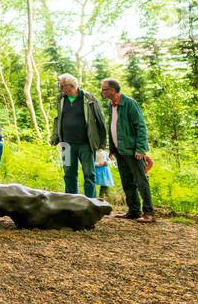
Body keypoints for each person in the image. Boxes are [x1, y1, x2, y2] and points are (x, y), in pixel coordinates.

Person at [100, 78, 156, 222]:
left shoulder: (129, 103)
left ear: (113, 90)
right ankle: (134, 211)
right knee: (127, 182)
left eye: (104, 89)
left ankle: (149, 213)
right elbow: (113, 127)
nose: (102, 91)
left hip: (133, 150)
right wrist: (112, 148)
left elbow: (140, 126)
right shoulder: (110, 105)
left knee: (141, 181)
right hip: (120, 151)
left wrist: (141, 149)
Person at [50, 73, 106, 199]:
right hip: (66, 145)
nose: (61, 89)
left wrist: (102, 144)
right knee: (69, 174)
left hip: (85, 144)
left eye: (62, 86)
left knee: (89, 174)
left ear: (72, 86)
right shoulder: (61, 99)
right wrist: (55, 136)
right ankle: (71, 202)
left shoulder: (88, 98)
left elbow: (100, 120)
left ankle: (91, 202)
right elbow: (58, 119)